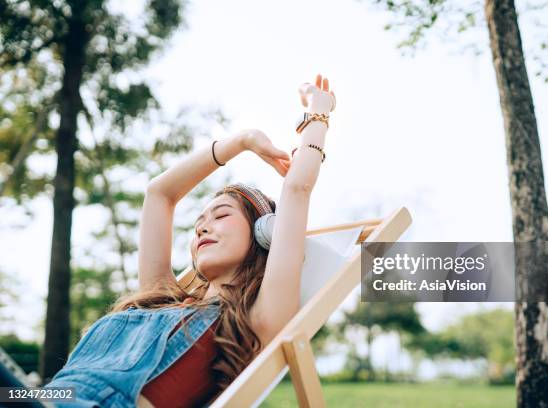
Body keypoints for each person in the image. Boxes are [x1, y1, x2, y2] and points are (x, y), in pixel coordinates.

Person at [42, 74, 336, 407]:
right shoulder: (160, 296)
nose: (203, 228)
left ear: (264, 231)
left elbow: (297, 188)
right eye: (199, 224)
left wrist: (319, 111)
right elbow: (159, 193)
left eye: (221, 216)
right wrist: (243, 141)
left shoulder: (253, 322)